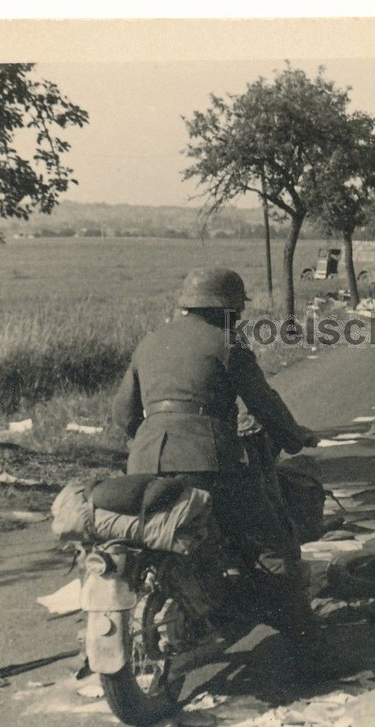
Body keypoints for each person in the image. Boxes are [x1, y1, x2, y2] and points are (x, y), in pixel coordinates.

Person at [111, 267, 334, 682]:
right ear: (228, 309)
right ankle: (312, 655)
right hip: (208, 461)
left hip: (143, 464)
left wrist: (147, 443)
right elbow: (263, 403)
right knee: (273, 546)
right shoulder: (228, 343)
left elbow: (123, 413)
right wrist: (293, 438)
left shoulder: (150, 342)